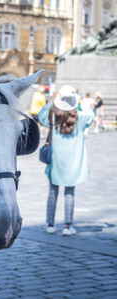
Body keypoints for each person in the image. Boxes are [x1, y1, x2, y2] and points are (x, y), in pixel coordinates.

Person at [39, 85, 95, 236]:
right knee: (69, 193)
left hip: (56, 161)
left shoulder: (52, 117)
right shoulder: (81, 118)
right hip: (73, 161)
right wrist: (82, 103)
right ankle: (67, 226)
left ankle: (50, 224)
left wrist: (52, 102)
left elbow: (41, 114)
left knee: (52, 192)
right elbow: (91, 114)